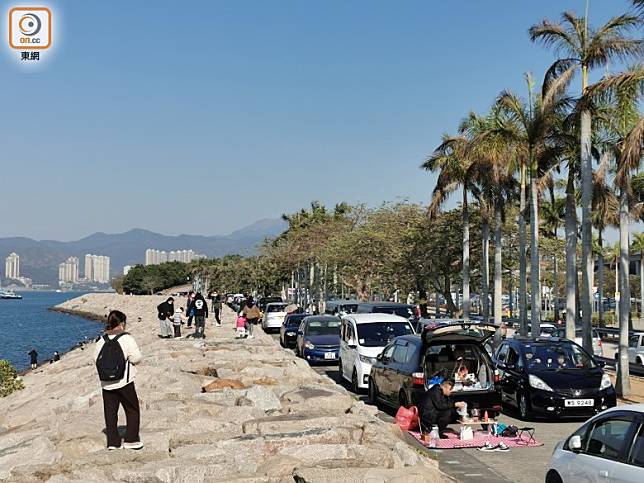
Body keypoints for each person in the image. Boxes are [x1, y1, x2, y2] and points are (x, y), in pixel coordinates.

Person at [94, 310, 143, 451]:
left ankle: (113, 442)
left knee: (110, 412)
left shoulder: (101, 340)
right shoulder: (126, 338)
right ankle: (131, 440)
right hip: (124, 381)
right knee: (132, 409)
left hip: (106, 384)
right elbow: (136, 358)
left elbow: (95, 359)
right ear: (122, 323)